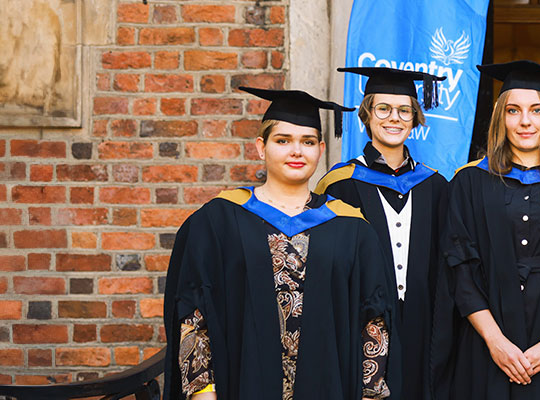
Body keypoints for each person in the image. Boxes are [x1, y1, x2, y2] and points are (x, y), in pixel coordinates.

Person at [164, 86, 395, 400]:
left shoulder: (351, 228)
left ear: (321, 149)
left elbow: (374, 322)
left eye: (308, 142)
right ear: (261, 147)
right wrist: (203, 392)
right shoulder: (219, 221)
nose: (296, 151)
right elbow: (194, 314)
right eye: (283, 140)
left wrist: (371, 394)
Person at [443, 60, 540, 400]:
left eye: (536, 110)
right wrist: (496, 342)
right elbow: (461, 269)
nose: (525, 121)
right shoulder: (469, 183)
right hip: (487, 350)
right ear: (500, 117)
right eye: (513, 110)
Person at [317, 66, 454, 400]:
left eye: (404, 110)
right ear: (367, 114)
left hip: (423, 324)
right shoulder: (340, 185)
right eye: (383, 109)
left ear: (415, 118)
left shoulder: (435, 186)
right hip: (360, 324)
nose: (394, 118)